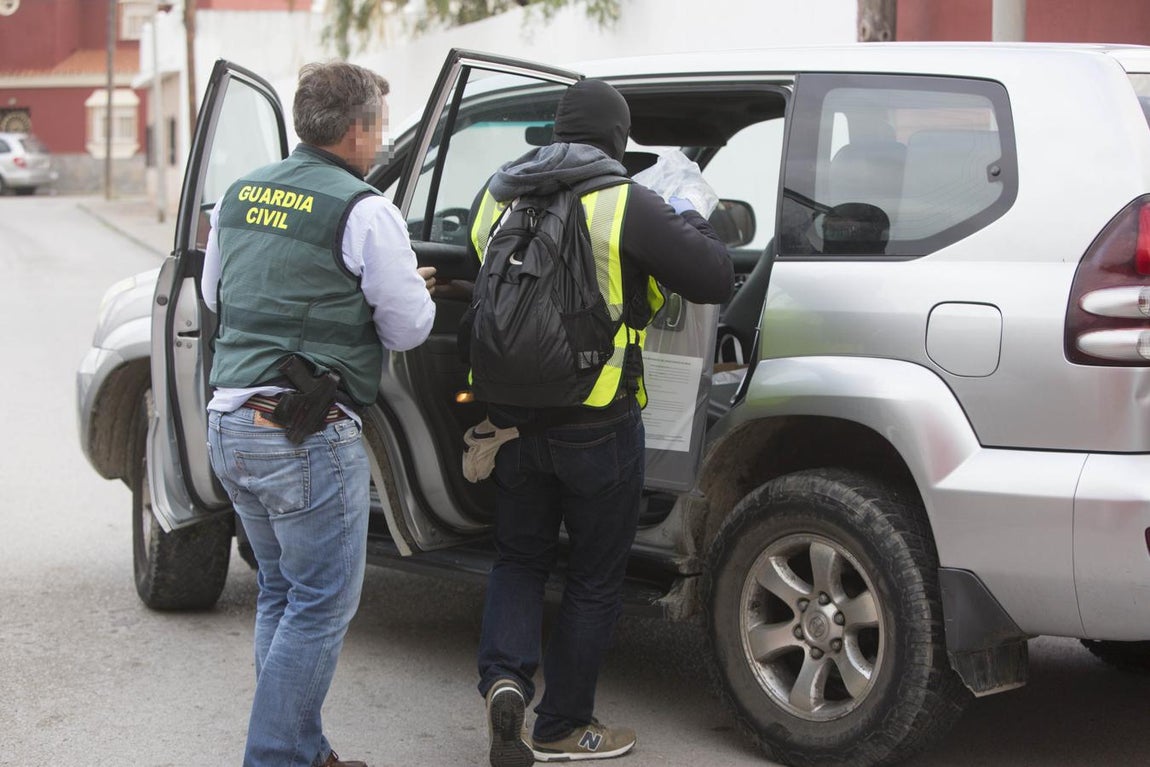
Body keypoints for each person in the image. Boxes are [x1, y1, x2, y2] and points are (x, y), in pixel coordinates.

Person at [467, 79, 733, 766]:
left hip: (511, 421)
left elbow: (479, 264)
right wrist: (689, 209)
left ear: (555, 131)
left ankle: (505, 679)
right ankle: (562, 724)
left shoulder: (497, 194)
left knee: (519, 557)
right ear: (618, 140)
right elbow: (711, 276)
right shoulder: (625, 202)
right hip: (598, 421)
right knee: (592, 574)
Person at [201, 61, 436, 767]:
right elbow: (408, 329)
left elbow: (216, 296)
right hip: (303, 435)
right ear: (359, 129)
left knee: (283, 591)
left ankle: (304, 748)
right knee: (321, 604)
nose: (381, 138)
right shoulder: (364, 208)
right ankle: (274, 756)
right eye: (381, 126)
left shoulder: (241, 194)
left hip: (231, 423)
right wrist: (402, 286)